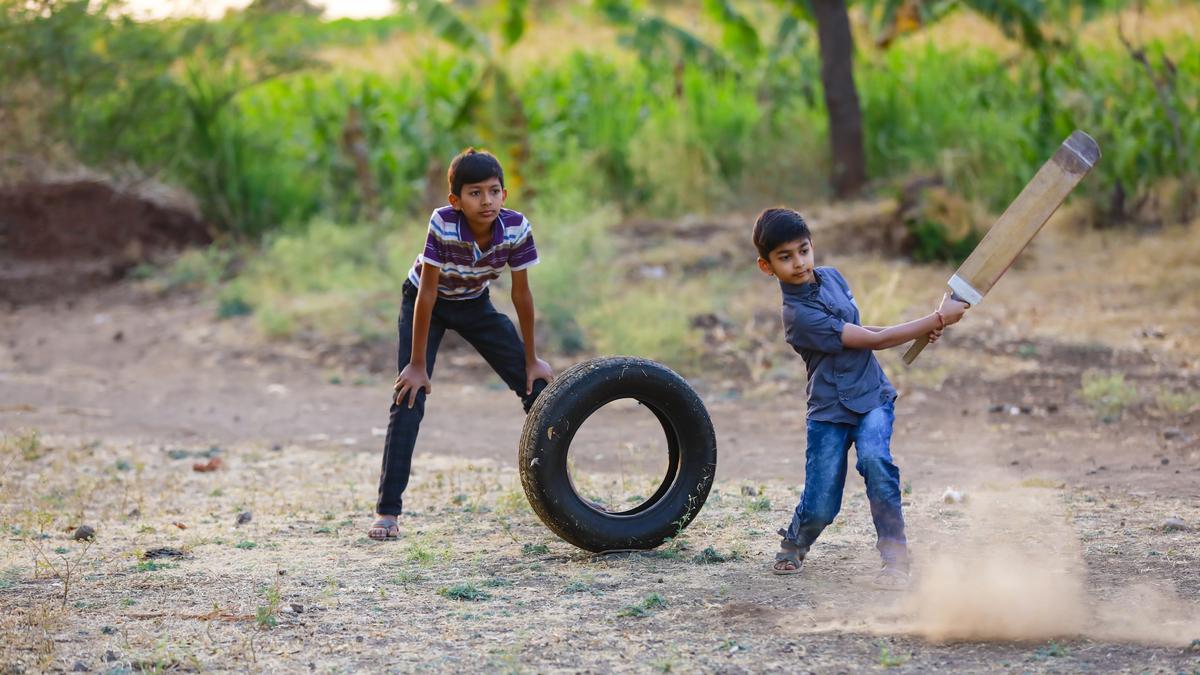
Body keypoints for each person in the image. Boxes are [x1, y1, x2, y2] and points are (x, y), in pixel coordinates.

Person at [752, 207, 968, 588]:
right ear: (766, 266)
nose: (799, 263)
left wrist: (920, 328)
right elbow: (873, 341)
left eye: (803, 250)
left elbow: (863, 330)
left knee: (875, 462)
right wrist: (935, 320)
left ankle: (895, 557)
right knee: (822, 503)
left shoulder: (833, 277)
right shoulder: (797, 316)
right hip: (829, 410)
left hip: (871, 396)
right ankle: (796, 540)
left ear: (812, 246)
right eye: (785, 257)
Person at [368, 148, 554, 540]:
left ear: (504, 193)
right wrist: (417, 364)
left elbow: (522, 294)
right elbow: (427, 293)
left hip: (474, 303)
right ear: (456, 200)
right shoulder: (443, 222)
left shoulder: (517, 227)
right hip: (426, 302)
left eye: (494, 191)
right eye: (474, 193)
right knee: (409, 396)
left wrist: (532, 358)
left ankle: (567, 494)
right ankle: (388, 510)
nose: (486, 201)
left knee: (537, 389)